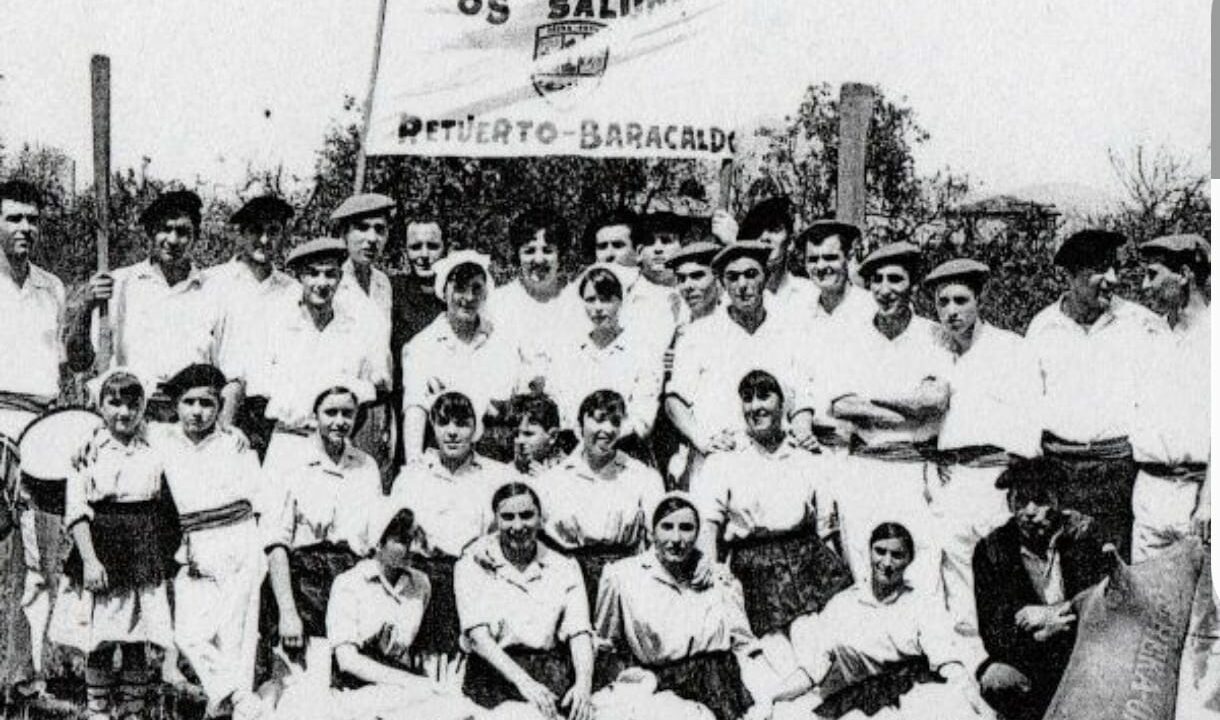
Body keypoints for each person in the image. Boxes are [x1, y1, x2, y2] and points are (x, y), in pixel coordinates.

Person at [807, 242, 952, 593]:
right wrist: (906, 407)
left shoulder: (933, 335)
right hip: (863, 470)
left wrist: (873, 401)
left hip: (914, 470)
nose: (885, 290)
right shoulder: (850, 337)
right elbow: (841, 405)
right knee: (865, 567)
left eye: (895, 279)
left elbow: (934, 401)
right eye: (877, 280)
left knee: (921, 571)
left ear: (912, 286)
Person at [1025, 229, 1168, 560]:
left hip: (1115, 472)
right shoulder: (1042, 327)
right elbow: (1029, 407)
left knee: (1113, 569)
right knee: (1060, 566)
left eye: (1115, 268)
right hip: (1059, 469)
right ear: (1072, 276)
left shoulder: (1140, 324)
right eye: (1101, 270)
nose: (1113, 279)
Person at [48, 370, 178, 720]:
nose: (123, 412)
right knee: (101, 637)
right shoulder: (87, 452)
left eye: (132, 405)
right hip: (103, 546)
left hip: (141, 548)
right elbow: (76, 512)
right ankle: (99, 710)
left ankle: (133, 711)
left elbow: (190, 435)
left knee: (138, 637)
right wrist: (90, 560)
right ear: (100, 405)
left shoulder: (155, 446)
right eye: (114, 403)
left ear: (143, 407)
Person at [923, 258, 1040, 642]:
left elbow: (1028, 420)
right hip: (952, 476)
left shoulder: (1011, 348)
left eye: (961, 300)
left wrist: (1016, 482)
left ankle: (1008, 659)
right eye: (943, 303)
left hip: (996, 479)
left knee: (1000, 568)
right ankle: (969, 665)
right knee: (955, 567)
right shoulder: (934, 350)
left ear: (980, 299)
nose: (952, 311)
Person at [761, 523, 986, 720]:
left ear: (909, 560)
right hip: (860, 701)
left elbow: (947, 661)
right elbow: (813, 670)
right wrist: (771, 697)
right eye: (880, 551)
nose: (887, 562)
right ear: (869, 552)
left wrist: (971, 704)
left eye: (897, 555)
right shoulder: (842, 605)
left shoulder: (921, 605)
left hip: (912, 696)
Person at [691, 371, 849, 641]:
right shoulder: (724, 460)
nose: (755, 407)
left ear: (783, 403)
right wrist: (713, 575)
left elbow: (826, 530)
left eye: (765, 396)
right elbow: (708, 524)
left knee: (824, 640)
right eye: (748, 398)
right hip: (754, 570)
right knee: (773, 650)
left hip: (809, 564)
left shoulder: (806, 456)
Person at [259, 386, 385, 700]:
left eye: (347, 413)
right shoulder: (291, 463)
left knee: (349, 687)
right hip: (303, 585)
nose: (339, 421)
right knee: (300, 684)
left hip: (350, 585)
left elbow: (373, 542)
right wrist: (288, 612)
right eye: (331, 412)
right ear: (315, 415)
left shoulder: (366, 466)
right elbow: (276, 542)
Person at [153, 364, 264, 719]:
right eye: (189, 402)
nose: (198, 411)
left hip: (239, 540)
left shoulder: (235, 443)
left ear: (219, 407)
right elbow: (112, 425)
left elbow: (257, 501)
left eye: (207, 403)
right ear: (175, 405)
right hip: (196, 544)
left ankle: (230, 706)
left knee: (235, 641)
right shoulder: (161, 438)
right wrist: (90, 443)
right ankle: (239, 697)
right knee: (188, 634)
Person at [594, 493, 758, 720]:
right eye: (667, 527)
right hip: (660, 692)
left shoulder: (718, 578)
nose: (677, 538)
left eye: (686, 528)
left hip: (724, 688)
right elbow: (606, 646)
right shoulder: (622, 577)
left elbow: (743, 644)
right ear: (652, 531)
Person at [67, 190, 226, 420]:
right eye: (165, 229)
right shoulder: (119, 284)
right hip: (129, 415)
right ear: (151, 233)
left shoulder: (214, 291)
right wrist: (87, 306)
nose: (172, 240)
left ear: (196, 237)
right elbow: (79, 362)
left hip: (190, 420)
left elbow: (226, 374)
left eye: (182, 232)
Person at [972, 459, 1110, 720]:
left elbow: (1105, 602)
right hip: (1031, 661)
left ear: (1058, 500)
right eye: (1020, 501)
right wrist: (1042, 635)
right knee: (997, 678)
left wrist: (1054, 613)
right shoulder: (992, 550)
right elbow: (994, 633)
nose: (1030, 511)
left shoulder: (1083, 537)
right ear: (1010, 504)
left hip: (1081, 655)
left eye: (1039, 500)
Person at [0, 179, 67, 696]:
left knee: (40, 560)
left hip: (42, 430)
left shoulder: (53, 288)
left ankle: (25, 676)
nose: (25, 228)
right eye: (14, 218)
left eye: (32, 220)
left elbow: (66, 364)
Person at [322, 508, 481, 720]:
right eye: (402, 541)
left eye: (413, 539)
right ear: (378, 542)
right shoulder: (349, 583)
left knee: (461, 710)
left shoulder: (421, 584)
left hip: (404, 687)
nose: (411, 548)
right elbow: (348, 661)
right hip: (355, 689)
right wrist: (413, 683)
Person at [454, 482, 595, 720]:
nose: (518, 526)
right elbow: (479, 639)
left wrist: (583, 684)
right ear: (496, 521)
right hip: (493, 677)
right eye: (508, 517)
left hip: (550, 673)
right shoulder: (471, 566)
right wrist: (525, 684)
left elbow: (579, 632)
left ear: (541, 519)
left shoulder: (564, 567)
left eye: (527, 515)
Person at [387, 391, 512, 656]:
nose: (452, 432)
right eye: (444, 423)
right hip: (422, 584)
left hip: (479, 581)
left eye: (462, 424)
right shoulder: (412, 478)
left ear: (476, 428)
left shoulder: (498, 476)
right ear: (433, 425)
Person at [666, 241, 801, 486]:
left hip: (777, 461)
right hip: (719, 461)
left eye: (751, 275)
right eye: (733, 277)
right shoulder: (698, 335)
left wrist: (802, 427)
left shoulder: (789, 331)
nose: (742, 285)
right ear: (722, 283)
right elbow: (675, 401)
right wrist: (703, 439)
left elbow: (803, 393)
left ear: (766, 277)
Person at [258, 239, 390, 475]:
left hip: (338, 446)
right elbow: (263, 388)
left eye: (330, 274)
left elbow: (372, 388)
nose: (322, 283)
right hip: (290, 441)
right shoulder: (278, 327)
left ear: (340, 278)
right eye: (313, 274)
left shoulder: (355, 331)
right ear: (299, 277)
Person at [536, 390, 665, 601]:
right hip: (568, 581)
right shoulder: (552, 480)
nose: (607, 430)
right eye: (598, 420)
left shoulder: (642, 476)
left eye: (615, 422)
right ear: (579, 426)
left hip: (624, 581)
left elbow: (659, 538)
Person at [400, 250, 525, 463]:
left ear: (485, 293)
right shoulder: (422, 346)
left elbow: (515, 401)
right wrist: (414, 463)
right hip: (444, 455)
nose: (468, 298)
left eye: (476, 289)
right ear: (444, 291)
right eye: (459, 288)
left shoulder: (503, 341)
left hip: (495, 455)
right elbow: (415, 409)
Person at [1130, 234, 1210, 562]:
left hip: (1199, 495)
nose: (1145, 287)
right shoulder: (1149, 336)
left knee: (1205, 612)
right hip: (1150, 493)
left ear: (1185, 274)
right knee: (1148, 606)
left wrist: (1210, 503)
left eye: (1153, 275)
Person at [208, 194, 298, 455]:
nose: (264, 240)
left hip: (272, 411)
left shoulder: (293, 291)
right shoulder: (213, 283)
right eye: (256, 231)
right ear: (240, 234)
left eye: (273, 231)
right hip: (222, 408)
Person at [545, 265, 665, 446]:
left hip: (624, 447)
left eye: (606, 299)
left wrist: (603, 438)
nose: (598, 308)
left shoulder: (643, 351)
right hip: (574, 447)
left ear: (620, 301)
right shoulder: (568, 352)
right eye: (591, 300)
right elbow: (559, 404)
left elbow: (643, 417)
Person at [484, 206, 582, 379]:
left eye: (548, 250)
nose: (538, 259)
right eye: (529, 251)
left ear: (561, 253)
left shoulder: (579, 300)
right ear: (517, 255)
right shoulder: (497, 303)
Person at [579, 209, 681, 357]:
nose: (609, 255)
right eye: (602, 247)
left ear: (639, 252)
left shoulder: (665, 300)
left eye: (618, 245)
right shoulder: (578, 298)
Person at [389, 219, 448, 470]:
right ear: (406, 251)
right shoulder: (392, 290)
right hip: (405, 410)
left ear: (445, 248)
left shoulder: (456, 293)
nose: (424, 255)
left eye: (432, 246)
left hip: (449, 411)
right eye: (416, 247)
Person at [736, 198, 817, 313]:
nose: (764, 237)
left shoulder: (810, 294)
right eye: (757, 231)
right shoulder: (736, 295)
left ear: (790, 243)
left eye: (774, 229)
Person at [332, 193, 395, 322]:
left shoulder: (383, 283)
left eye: (379, 229)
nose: (372, 238)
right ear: (344, 233)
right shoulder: (332, 284)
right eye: (362, 228)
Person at [508, 392, 569, 476]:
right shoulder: (510, 469)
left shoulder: (567, 470)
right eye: (516, 434)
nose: (519, 440)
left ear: (552, 437)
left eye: (528, 434)